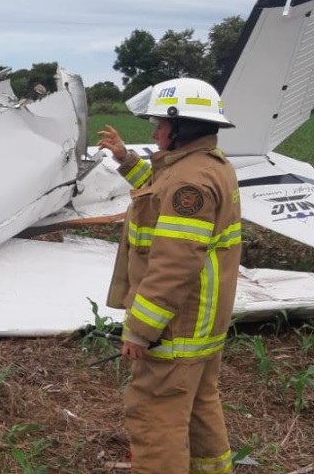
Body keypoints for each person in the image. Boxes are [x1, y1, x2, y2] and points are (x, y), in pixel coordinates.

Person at [99, 78, 242, 474]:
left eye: (161, 124)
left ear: (184, 127)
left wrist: (141, 329)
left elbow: (174, 264)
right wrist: (126, 159)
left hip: (176, 326)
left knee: (154, 416)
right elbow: (157, 190)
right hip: (202, 326)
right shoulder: (207, 166)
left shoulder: (188, 181)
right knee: (199, 406)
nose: (155, 131)